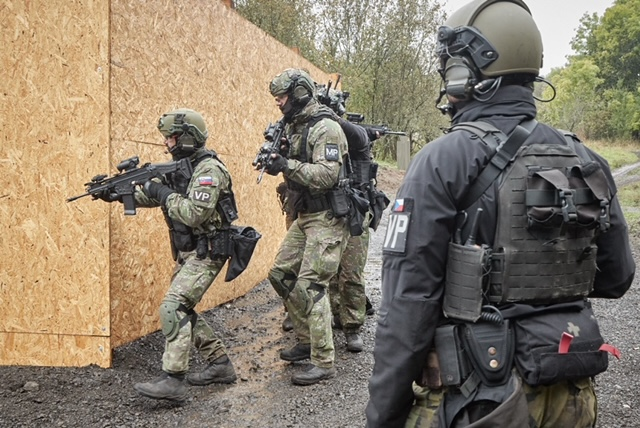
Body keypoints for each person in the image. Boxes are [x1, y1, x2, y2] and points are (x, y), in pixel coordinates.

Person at [365, 1, 635, 427]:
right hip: (573, 396)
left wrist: (383, 415)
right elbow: (617, 278)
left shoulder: (441, 161)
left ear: (465, 73)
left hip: (482, 399)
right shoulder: (586, 158)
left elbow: (406, 310)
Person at [101, 108, 240, 402]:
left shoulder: (209, 171)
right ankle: (220, 364)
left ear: (189, 138)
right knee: (183, 308)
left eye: (172, 137)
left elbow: (193, 212)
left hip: (210, 249)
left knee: (173, 307)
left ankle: (174, 380)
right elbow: (154, 195)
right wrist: (117, 194)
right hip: (191, 251)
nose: (167, 143)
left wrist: (159, 191)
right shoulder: (183, 166)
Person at [256, 68, 350, 385]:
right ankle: (306, 339)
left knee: (312, 286)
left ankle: (324, 361)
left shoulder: (326, 127)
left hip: (327, 216)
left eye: (281, 97)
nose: (278, 103)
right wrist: (276, 162)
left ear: (298, 94)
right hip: (305, 215)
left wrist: (287, 165)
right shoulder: (294, 126)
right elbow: (294, 167)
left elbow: (327, 175)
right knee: (280, 274)